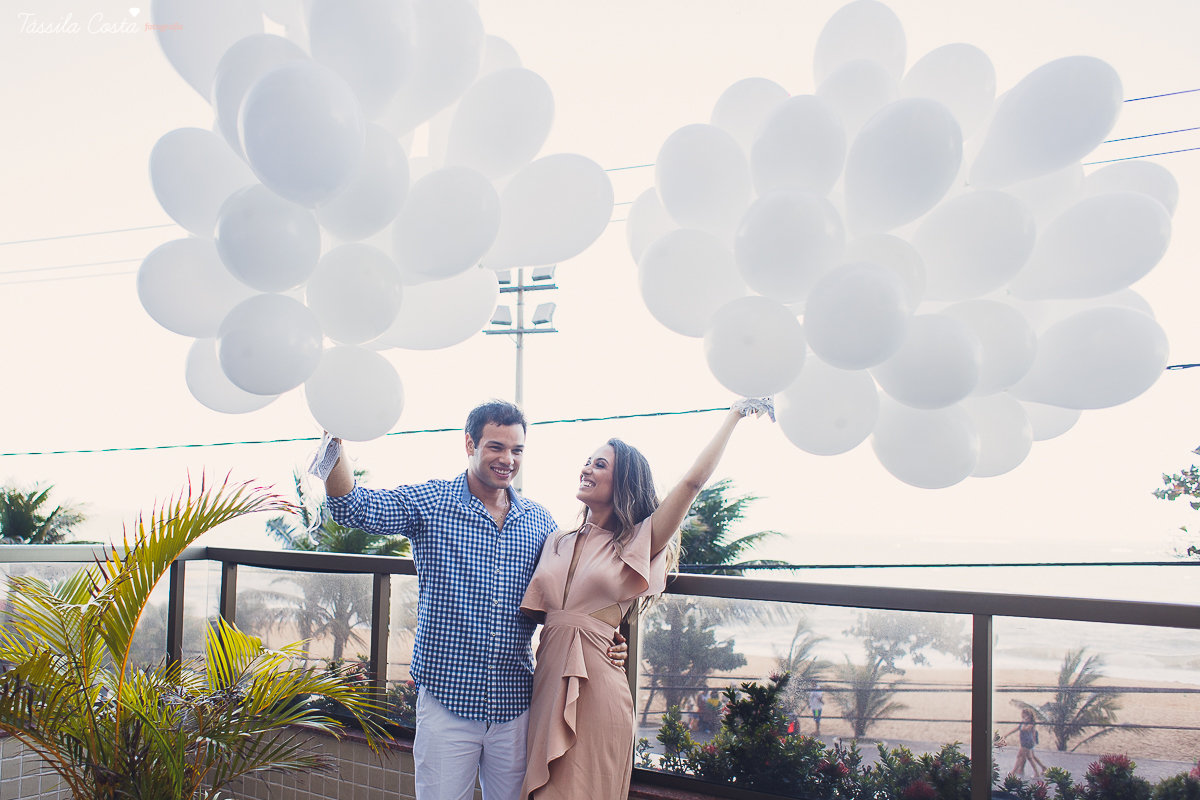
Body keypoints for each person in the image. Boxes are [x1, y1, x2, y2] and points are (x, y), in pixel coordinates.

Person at [322, 400, 627, 800]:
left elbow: (574, 596)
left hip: (515, 705)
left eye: (517, 450)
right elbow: (350, 508)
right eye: (496, 447)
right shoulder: (432, 503)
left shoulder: (540, 522)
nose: (507, 460)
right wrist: (333, 437)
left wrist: (607, 638)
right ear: (470, 444)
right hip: (447, 703)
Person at [518, 402, 765, 800]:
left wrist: (734, 415)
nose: (586, 469)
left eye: (600, 464)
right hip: (547, 684)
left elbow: (691, 484)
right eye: (587, 461)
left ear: (623, 482)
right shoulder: (556, 540)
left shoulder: (637, 541)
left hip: (597, 692)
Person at [1002, 708, 1047, 778]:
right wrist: (1007, 734)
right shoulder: (1023, 722)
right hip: (1024, 742)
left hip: (1027, 743)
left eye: (1024, 714)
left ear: (1028, 715)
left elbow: (1024, 729)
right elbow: (1017, 728)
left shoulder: (1030, 724)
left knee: (1024, 757)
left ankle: (1014, 772)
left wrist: (1024, 722)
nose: (1022, 715)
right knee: (1029, 757)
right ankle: (1041, 768)